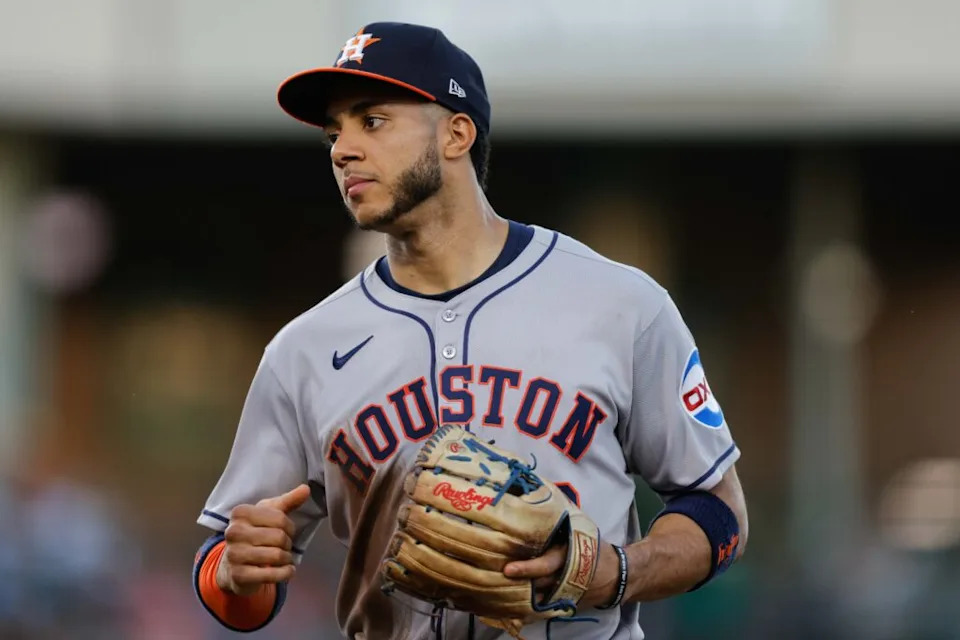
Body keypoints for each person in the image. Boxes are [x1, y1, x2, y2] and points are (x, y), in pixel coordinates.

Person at [192, 21, 749, 640]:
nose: (342, 149)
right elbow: (232, 581)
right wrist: (237, 571)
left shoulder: (621, 305)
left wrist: (615, 572)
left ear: (457, 133)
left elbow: (719, 512)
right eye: (334, 132)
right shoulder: (303, 349)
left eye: (371, 121)